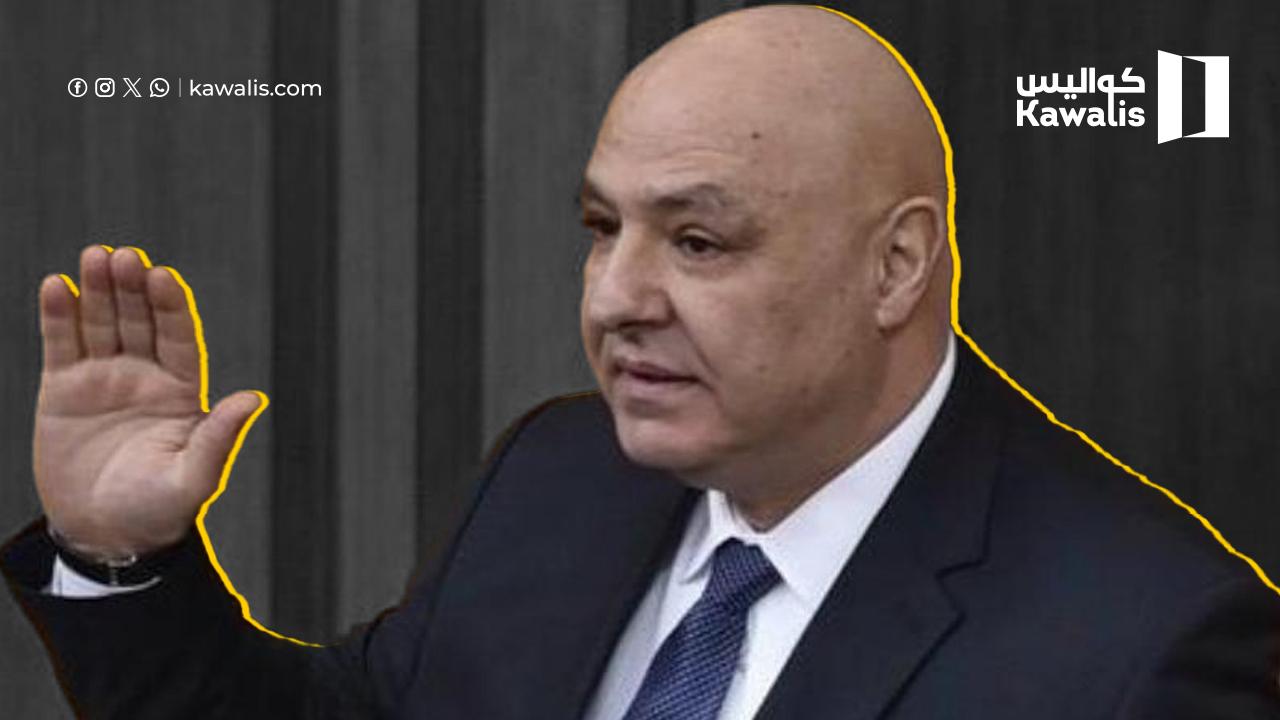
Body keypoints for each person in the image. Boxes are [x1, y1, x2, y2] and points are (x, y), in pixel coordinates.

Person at [4, 5, 1279, 719]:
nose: (616, 298)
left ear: (895, 267)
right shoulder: (560, 473)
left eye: (698, 242)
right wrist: (124, 557)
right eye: (600, 229)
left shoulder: (1147, 646)